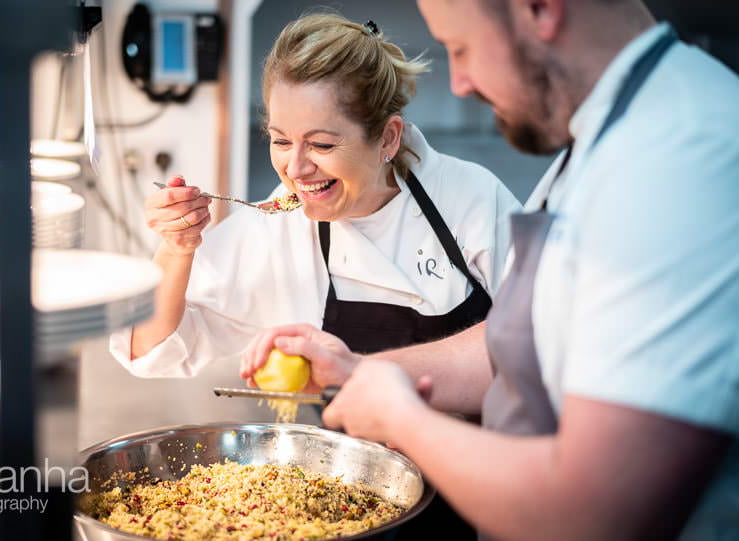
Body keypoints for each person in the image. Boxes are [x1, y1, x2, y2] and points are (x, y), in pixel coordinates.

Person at [241, 1, 739, 540]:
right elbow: (523, 345)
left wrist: (406, 421)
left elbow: (597, 512)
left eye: (461, 48)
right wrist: (358, 370)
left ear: (539, 9)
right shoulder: (610, 138)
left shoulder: (678, 157)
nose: (460, 84)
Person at [109, 13, 520, 390]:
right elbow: (148, 350)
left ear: (388, 138)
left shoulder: (472, 199)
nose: (296, 168)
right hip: (343, 448)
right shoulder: (275, 230)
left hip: (475, 444)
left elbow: (538, 342)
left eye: (322, 144)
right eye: (280, 141)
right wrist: (176, 250)